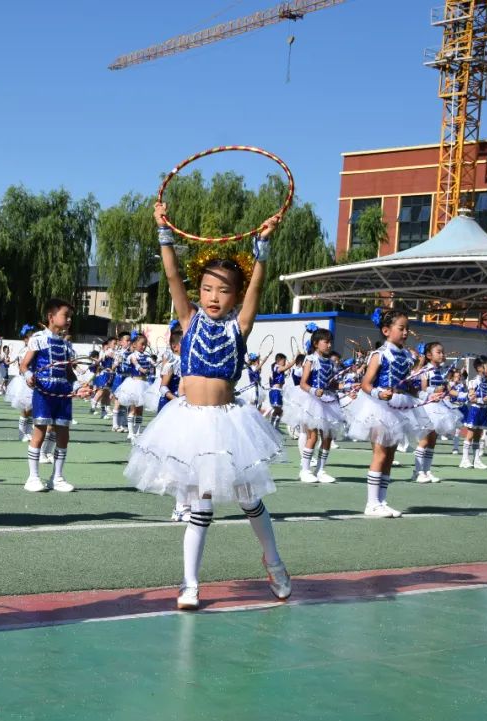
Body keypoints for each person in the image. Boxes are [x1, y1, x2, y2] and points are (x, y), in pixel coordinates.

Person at [126, 201, 289, 610]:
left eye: (224, 290)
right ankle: (190, 583)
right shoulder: (188, 319)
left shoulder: (240, 326)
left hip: (230, 424)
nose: (214, 297)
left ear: (235, 295)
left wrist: (262, 248)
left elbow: (258, 287)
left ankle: (273, 560)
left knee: (250, 499)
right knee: (200, 506)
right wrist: (164, 232)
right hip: (190, 424)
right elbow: (170, 274)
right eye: (207, 289)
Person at [346, 308, 431, 518]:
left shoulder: (406, 356)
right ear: (386, 330)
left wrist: (421, 394)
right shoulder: (379, 354)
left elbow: (407, 385)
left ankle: (382, 501)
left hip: (399, 407)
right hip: (379, 408)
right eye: (401, 328)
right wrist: (379, 393)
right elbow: (366, 383)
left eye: (407, 329)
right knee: (380, 453)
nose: (405, 333)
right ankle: (372, 503)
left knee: (390, 455)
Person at [20, 300, 87, 492]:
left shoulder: (66, 345)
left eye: (70, 317)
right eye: (66, 315)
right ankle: (33, 477)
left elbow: (69, 373)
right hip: (43, 390)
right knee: (39, 432)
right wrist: (28, 375)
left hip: (63, 392)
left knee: (63, 435)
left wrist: (78, 386)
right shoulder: (38, 339)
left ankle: (57, 477)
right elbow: (24, 365)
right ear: (51, 317)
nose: (69, 320)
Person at [284, 328, 346, 484]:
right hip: (312, 400)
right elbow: (304, 383)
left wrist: (346, 386)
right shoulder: (310, 359)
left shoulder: (331, 362)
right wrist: (314, 390)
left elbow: (332, 384)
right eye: (326, 341)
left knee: (328, 437)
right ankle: (305, 470)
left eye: (330, 341)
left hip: (328, 400)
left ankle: (321, 470)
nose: (329, 344)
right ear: (316, 343)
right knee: (313, 435)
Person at [413, 342, 461, 483]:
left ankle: (427, 471)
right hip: (427, 407)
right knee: (424, 440)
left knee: (433, 441)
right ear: (429, 355)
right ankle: (418, 471)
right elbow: (422, 389)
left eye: (442, 352)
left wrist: (463, 395)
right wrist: (434, 391)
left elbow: (447, 390)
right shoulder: (425, 370)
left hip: (439, 407)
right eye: (438, 352)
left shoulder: (440, 371)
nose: (442, 355)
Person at [461, 355, 487, 470]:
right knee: (469, 435)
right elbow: (471, 398)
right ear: (479, 368)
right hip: (475, 410)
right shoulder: (473, 382)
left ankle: (476, 460)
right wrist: (482, 400)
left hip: (484, 411)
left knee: (478, 437)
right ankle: (464, 459)